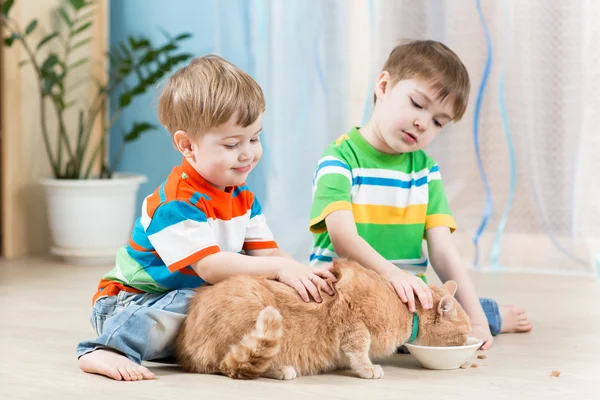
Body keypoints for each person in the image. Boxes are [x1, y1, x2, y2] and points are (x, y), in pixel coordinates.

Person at [77, 55, 334, 381]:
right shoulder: (173, 203)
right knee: (199, 298)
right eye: (231, 144)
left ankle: (226, 351)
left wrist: (299, 272)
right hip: (130, 305)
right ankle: (105, 349)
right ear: (187, 146)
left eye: (254, 138)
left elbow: (267, 254)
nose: (247, 153)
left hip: (196, 302)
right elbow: (211, 267)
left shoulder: (242, 198)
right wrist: (280, 269)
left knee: (254, 293)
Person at [308, 40, 532, 351]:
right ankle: (492, 312)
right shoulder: (339, 158)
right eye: (417, 103)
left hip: (407, 302)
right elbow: (343, 237)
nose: (423, 123)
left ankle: (485, 314)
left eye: (439, 122)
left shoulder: (426, 172)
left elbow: (442, 251)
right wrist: (392, 274)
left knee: (443, 321)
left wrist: (478, 324)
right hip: (344, 295)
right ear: (384, 86)